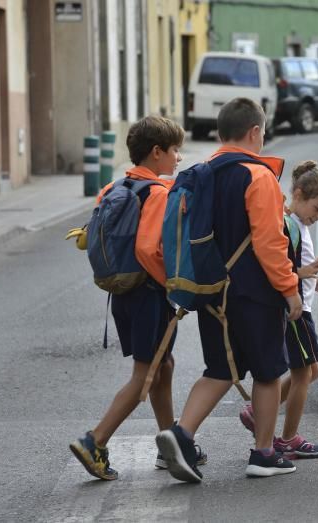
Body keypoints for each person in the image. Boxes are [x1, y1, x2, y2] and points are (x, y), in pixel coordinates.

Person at [156, 98, 304, 482]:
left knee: (221, 368)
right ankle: (264, 452)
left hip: (210, 288)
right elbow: (271, 243)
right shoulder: (258, 176)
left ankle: (182, 433)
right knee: (269, 373)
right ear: (255, 132)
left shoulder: (202, 172)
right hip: (254, 292)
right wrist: (290, 290)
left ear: (222, 132)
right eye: (264, 131)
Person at [69, 115, 190, 481]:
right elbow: (149, 250)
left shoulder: (111, 188)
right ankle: (96, 440)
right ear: (157, 153)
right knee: (145, 374)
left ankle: (171, 446)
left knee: (162, 366)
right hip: (149, 295)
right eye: (174, 151)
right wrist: (174, 285)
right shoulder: (157, 193)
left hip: (122, 294)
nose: (179, 158)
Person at [239, 160, 318, 459]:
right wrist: (305, 276)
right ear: (298, 194)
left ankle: (257, 413)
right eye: (317, 208)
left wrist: (313, 280)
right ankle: (288, 439)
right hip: (295, 310)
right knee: (304, 374)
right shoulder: (287, 223)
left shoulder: (298, 224)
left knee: (312, 371)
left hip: (301, 303)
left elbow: (297, 265)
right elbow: (285, 266)